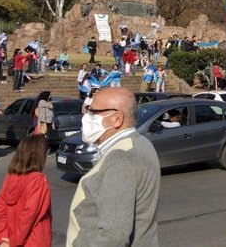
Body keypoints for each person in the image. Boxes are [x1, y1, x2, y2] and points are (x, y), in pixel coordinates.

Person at [67, 87, 160, 246]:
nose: (86, 117)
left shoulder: (121, 158)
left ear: (117, 119)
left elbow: (114, 236)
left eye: (93, 112)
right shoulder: (139, 143)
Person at [0, 134, 53, 247]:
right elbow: (29, 216)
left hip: (8, 239)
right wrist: (14, 241)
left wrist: (2, 239)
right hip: (33, 240)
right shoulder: (38, 180)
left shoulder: (10, 177)